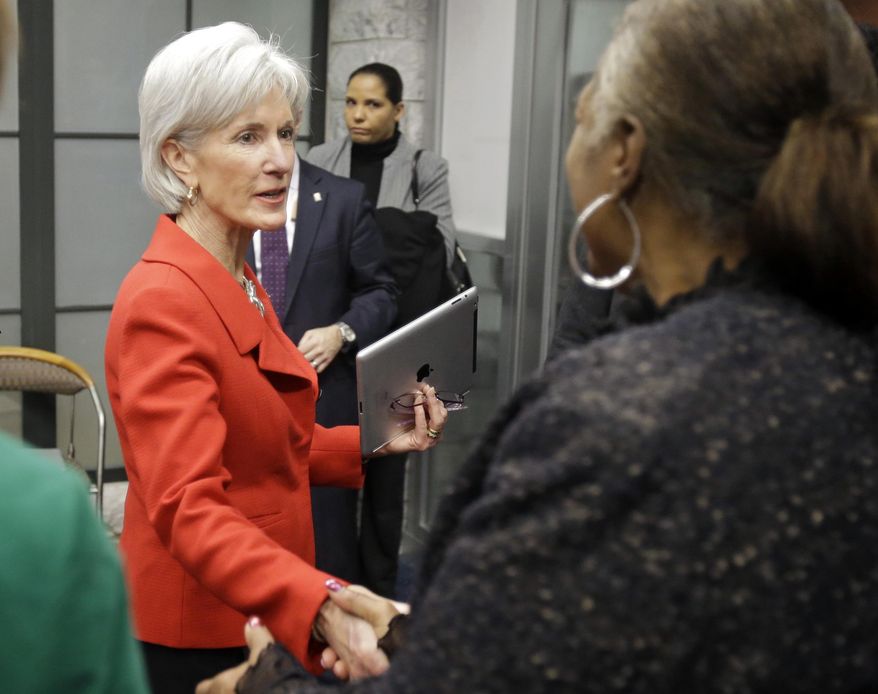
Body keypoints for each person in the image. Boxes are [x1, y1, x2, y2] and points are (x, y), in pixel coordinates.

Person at [199, 1, 878, 691]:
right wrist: (421, 632)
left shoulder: (616, 419)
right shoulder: (836, 364)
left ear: (623, 154)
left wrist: (264, 683)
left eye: (582, 117)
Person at [104, 22, 446, 694]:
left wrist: (376, 438)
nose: (281, 160)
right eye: (247, 137)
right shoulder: (163, 301)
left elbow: (264, 447)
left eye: (285, 133)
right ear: (179, 158)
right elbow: (189, 506)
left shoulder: (236, 274)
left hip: (259, 600)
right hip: (201, 627)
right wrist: (322, 603)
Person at [308, 63, 458, 597]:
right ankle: (330, 588)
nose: (357, 114)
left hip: (398, 341)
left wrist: (365, 234)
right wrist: (397, 229)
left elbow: (440, 243)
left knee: (387, 475)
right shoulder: (319, 159)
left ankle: (379, 590)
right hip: (339, 337)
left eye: (372, 104)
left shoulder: (423, 166)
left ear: (398, 110)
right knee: (330, 466)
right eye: (350, 102)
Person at [246, 143, 398, 587]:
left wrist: (342, 332)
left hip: (323, 395)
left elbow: (382, 292)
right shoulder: (228, 194)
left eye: (281, 131)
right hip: (246, 390)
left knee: (327, 541)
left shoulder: (342, 198)